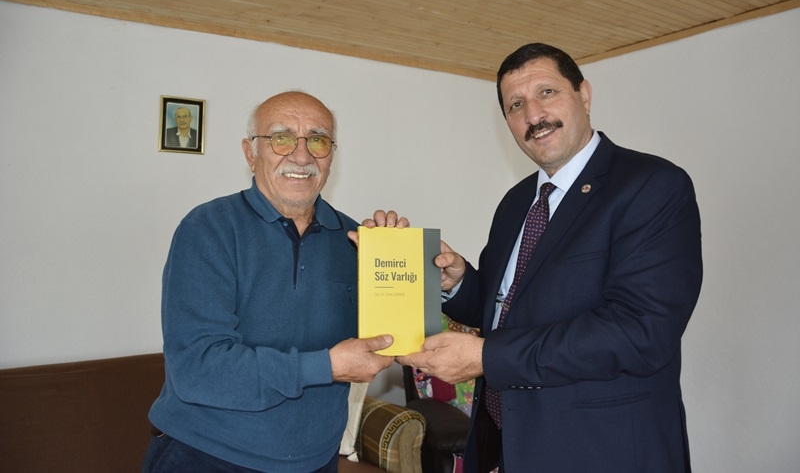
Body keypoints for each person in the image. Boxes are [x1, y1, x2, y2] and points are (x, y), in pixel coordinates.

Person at [397, 43, 703, 472]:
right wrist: (460, 281)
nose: (534, 115)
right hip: (509, 445)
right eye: (515, 104)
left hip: (604, 451)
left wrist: (486, 357)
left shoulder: (652, 186)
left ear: (584, 95)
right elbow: (509, 309)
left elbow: (639, 331)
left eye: (547, 92)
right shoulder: (516, 201)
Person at [144, 91, 404, 473]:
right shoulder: (208, 228)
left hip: (316, 461)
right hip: (207, 455)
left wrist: (400, 263)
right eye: (281, 138)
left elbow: (393, 338)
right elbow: (198, 369)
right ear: (251, 153)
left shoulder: (356, 240)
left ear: (331, 155)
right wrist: (326, 366)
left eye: (318, 140)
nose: (301, 156)